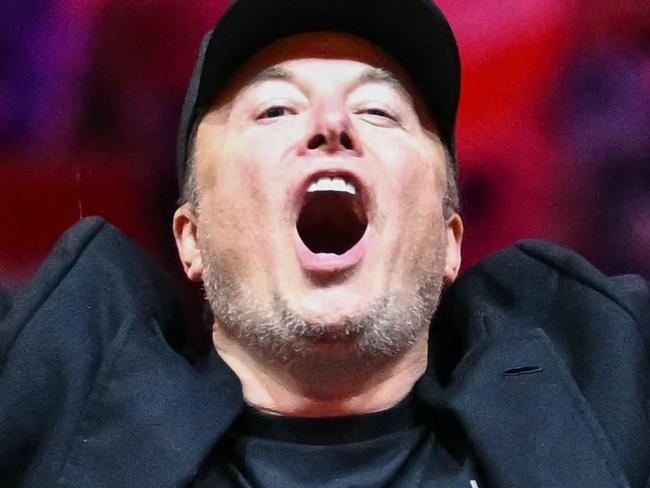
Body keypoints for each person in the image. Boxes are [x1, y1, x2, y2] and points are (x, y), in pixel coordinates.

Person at [1, 0, 648, 487]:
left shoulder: (614, 385)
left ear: (452, 241)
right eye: (275, 109)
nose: (332, 124)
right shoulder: (40, 398)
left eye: (379, 112)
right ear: (189, 239)